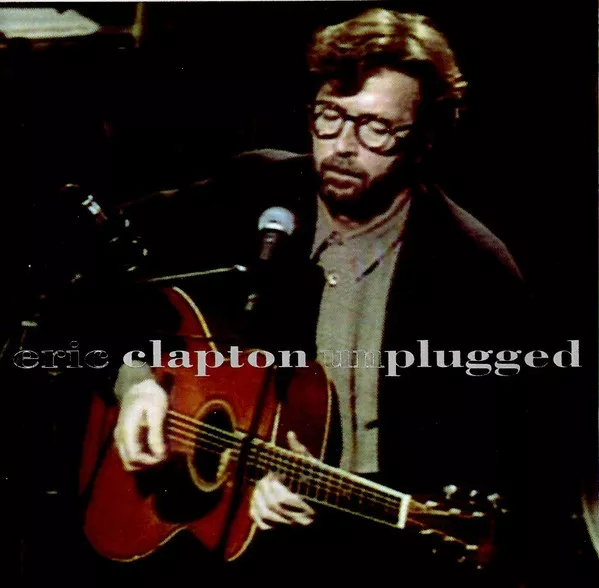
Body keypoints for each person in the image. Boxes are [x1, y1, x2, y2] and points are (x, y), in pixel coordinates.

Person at [107, 8, 529, 587]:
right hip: (205, 533)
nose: (343, 147)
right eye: (330, 116)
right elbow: (103, 272)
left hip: (369, 550)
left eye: (377, 128)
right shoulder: (255, 191)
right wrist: (135, 383)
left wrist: (308, 493)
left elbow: (491, 458)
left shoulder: (473, 272)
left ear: (424, 139)